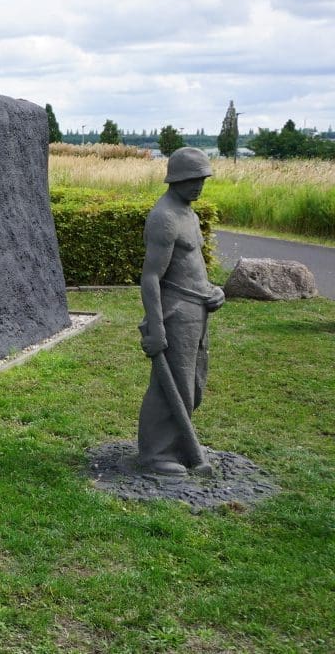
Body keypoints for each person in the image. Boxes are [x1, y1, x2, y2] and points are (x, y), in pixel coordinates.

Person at [138, 147, 225, 475]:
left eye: (202, 179)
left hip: (196, 309)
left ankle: (179, 446)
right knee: (171, 386)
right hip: (176, 312)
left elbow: (191, 267)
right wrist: (157, 327)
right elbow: (150, 277)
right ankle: (156, 456)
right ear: (175, 179)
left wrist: (214, 292)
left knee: (193, 384)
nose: (199, 185)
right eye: (192, 179)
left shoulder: (189, 213)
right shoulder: (165, 216)